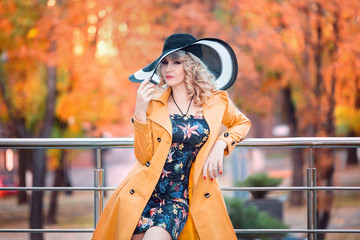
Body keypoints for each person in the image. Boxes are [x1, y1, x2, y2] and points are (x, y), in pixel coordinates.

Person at [92, 33, 251, 240]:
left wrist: (221, 144)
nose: (168, 69)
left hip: (178, 198)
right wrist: (140, 112)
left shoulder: (216, 101)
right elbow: (143, 155)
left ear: (192, 65)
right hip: (144, 193)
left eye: (176, 62)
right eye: (165, 62)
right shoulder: (154, 103)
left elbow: (242, 123)